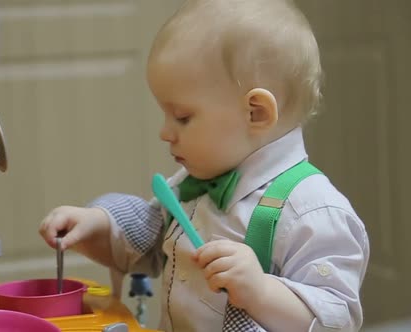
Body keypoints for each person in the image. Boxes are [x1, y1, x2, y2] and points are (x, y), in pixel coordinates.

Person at [39, 0, 369, 331]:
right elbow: (151, 236)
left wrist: (260, 291)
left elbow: (337, 319)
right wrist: (96, 224)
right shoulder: (193, 183)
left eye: (182, 117)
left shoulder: (312, 212)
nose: (165, 133)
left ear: (256, 113)